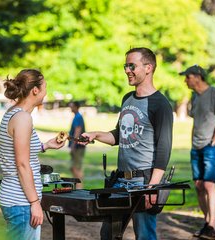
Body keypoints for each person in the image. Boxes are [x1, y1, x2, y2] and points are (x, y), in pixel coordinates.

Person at [81, 47, 173, 240]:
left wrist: (153, 187)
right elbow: (119, 135)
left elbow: (164, 148)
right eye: (125, 66)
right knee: (108, 234)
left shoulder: (160, 104)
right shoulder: (127, 99)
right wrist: (95, 134)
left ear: (148, 68)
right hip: (120, 181)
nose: (127, 70)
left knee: (145, 236)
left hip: (143, 182)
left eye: (132, 66)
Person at [0, 69, 65, 240]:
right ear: (35, 90)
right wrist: (35, 203)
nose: (46, 92)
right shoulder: (22, 118)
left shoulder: (14, 113)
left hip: (16, 198)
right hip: (21, 201)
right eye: (45, 87)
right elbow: (22, 164)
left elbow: (19, 151)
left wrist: (46, 146)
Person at [180, 65, 215, 239]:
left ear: (198, 77)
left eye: (187, 77)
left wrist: (214, 142)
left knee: (208, 184)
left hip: (212, 145)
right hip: (197, 146)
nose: (185, 80)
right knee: (199, 185)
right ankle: (207, 222)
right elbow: (197, 121)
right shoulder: (194, 96)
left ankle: (212, 226)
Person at [68, 101, 86, 188]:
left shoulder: (78, 117)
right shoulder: (77, 116)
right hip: (77, 146)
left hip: (78, 147)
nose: (70, 107)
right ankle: (77, 186)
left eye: (71, 105)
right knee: (74, 167)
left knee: (76, 167)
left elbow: (77, 131)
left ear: (76, 106)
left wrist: (73, 145)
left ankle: (79, 187)